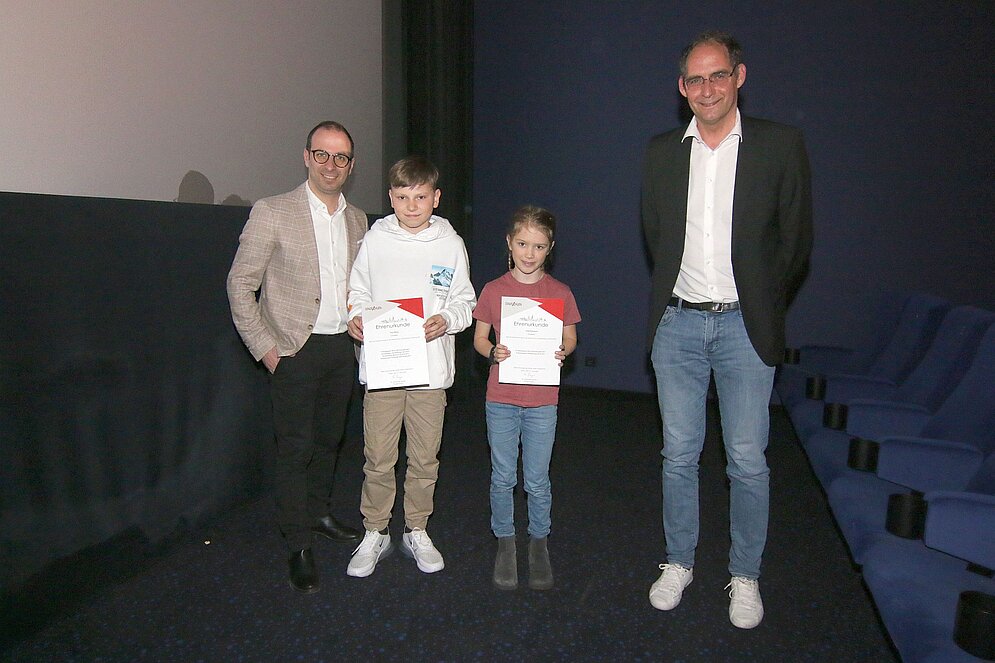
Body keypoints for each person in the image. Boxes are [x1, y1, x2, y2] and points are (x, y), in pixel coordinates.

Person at [641, 31, 813, 628]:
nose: (707, 88)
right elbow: (655, 237)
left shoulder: (780, 145)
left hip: (746, 328)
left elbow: (795, 245)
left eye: (718, 75)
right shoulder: (662, 151)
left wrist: (761, 302)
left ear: (739, 77)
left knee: (747, 460)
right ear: (682, 88)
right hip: (678, 326)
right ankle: (678, 563)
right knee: (678, 455)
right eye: (695, 79)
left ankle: (744, 576)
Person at [226, 120, 367, 594]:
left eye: (341, 157)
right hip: (293, 351)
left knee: (329, 441)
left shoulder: (358, 219)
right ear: (306, 156)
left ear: (351, 165)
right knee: (295, 449)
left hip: (341, 350)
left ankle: (320, 511)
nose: (331, 165)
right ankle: (298, 543)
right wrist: (267, 350)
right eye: (322, 155)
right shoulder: (272, 211)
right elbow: (240, 285)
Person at [345, 156, 476, 578]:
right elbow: (357, 290)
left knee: (424, 457)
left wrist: (448, 319)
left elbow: (465, 301)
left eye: (420, 197)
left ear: (435, 198)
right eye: (402, 197)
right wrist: (357, 317)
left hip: (430, 372)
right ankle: (375, 530)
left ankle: (416, 528)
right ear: (391, 198)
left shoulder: (450, 244)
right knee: (378, 456)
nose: (412, 206)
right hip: (384, 370)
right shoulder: (375, 238)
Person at [472, 205, 580, 591]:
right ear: (509, 243)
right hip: (501, 396)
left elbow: (570, 336)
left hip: (542, 401)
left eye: (538, 246)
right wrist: (492, 352)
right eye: (522, 243)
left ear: (549, 248)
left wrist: (563, 351)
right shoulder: (493, 290)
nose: (529, 253)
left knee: (537, 478)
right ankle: (505, 540)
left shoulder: (560, 293)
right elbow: (479, 338)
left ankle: (538, 542)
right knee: (502, 476)